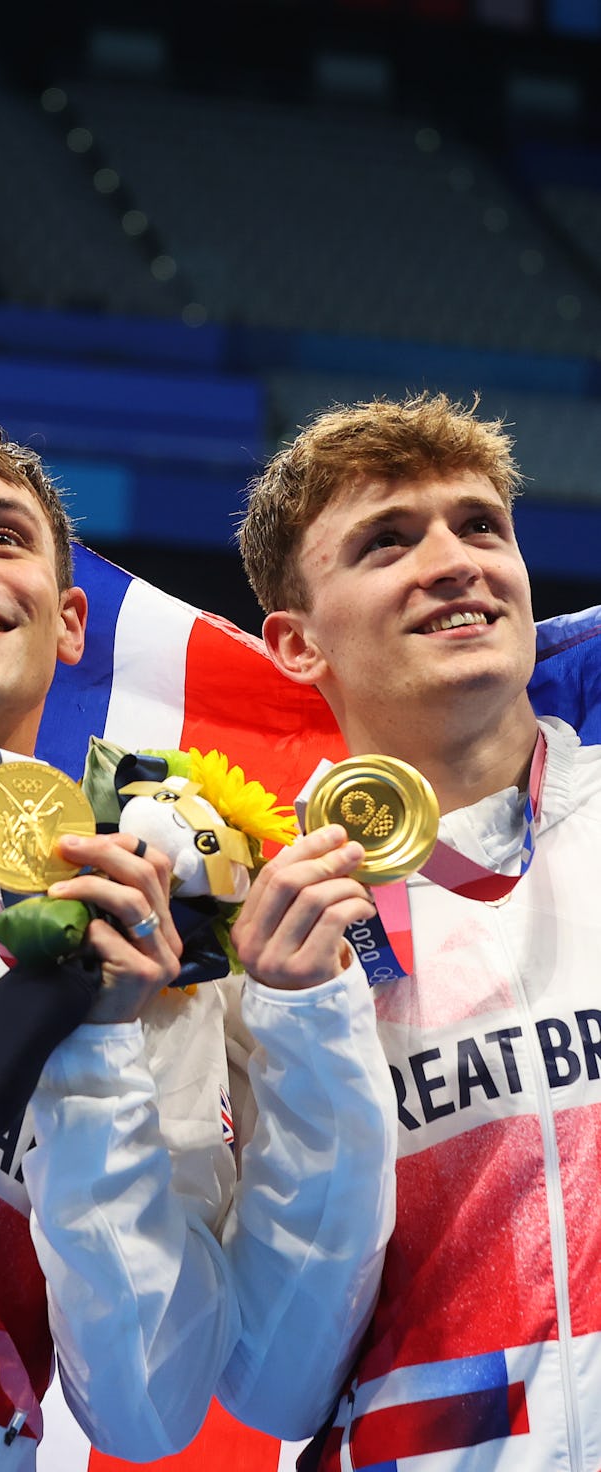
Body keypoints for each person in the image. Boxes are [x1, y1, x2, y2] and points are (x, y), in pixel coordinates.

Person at [0, 413, 397, 1471]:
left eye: (3, 537)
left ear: (68, 623)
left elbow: (150, 1409)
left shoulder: (156, 973)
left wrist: (99, 1051)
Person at [236, 389, 601, 1472]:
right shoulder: (251, 942)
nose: (455, 561)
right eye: (388, 541)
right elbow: (277, 1381)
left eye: (480, 525)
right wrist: (300, 1023)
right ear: (298, 644)